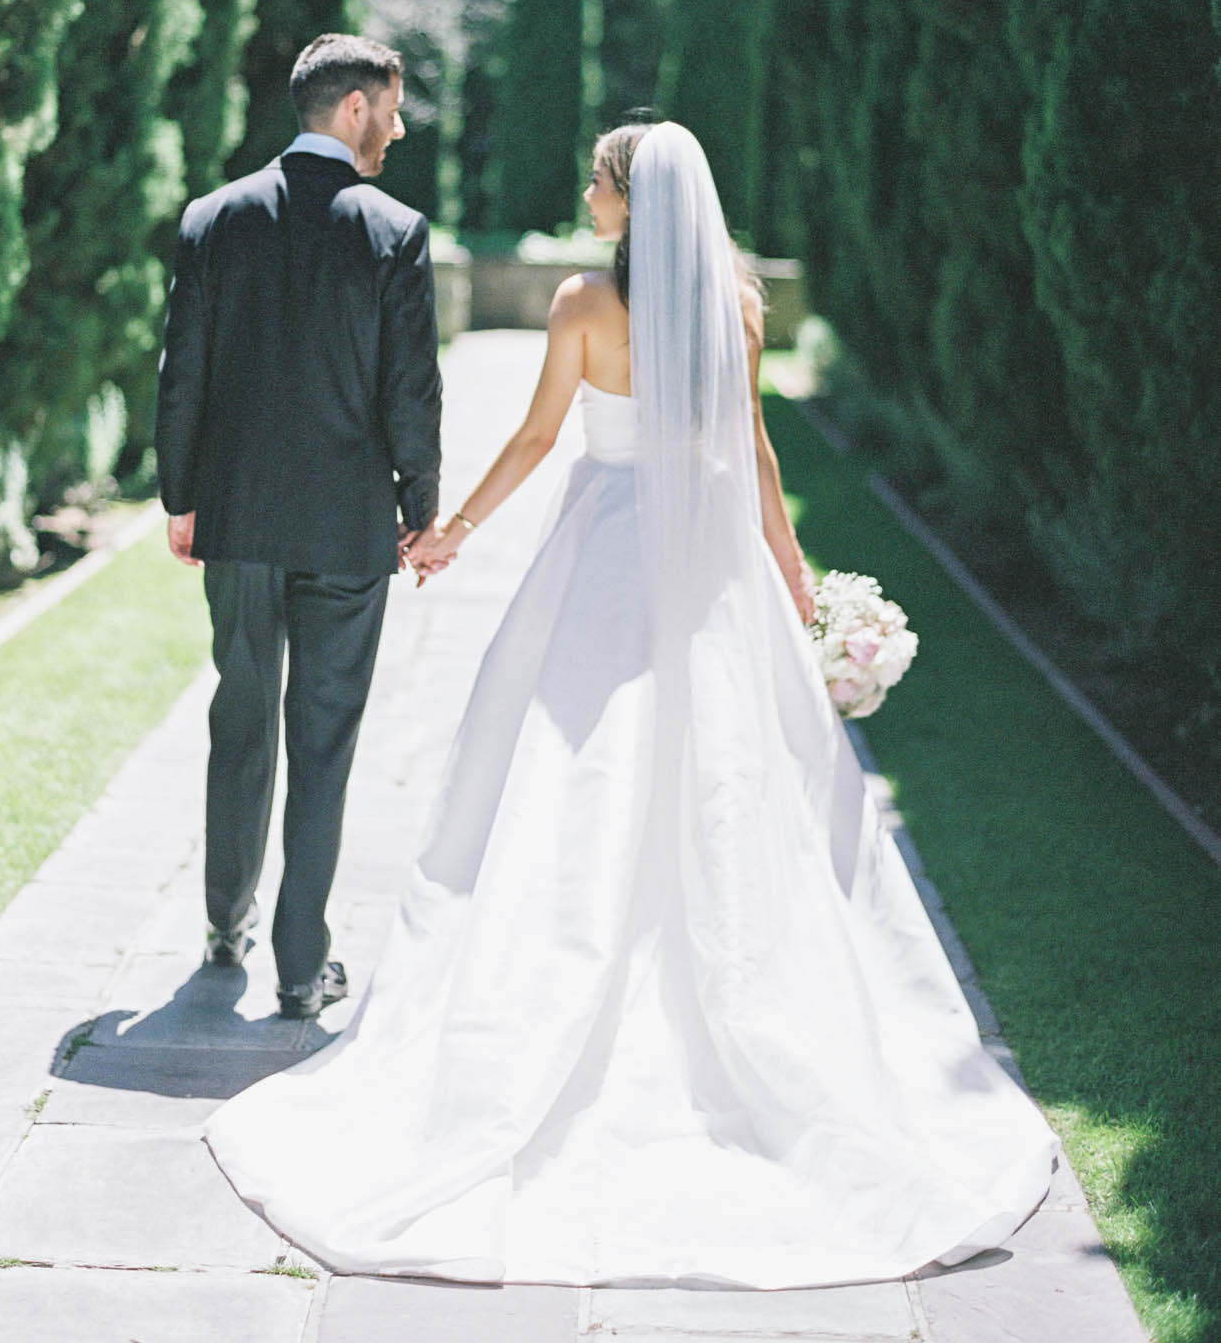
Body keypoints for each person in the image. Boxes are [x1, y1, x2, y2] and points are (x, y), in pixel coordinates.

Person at [204, 121, 1060, 1286]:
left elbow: (539, 437)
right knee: (716, 777)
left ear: (627, 200)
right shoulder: (737, 309)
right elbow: (753, 452)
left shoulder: (578, 308)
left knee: (572, 781)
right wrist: (796, 588)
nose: (587, 196)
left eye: (598, 183)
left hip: (599, 560)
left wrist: (452, 527)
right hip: (711, 571)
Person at [155, 33, 442, 1020]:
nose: (398, 130)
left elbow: (180, 372)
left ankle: (221, 927)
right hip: (346, 528)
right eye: (393, 110)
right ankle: (297, 966)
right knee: (323, 740)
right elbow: (411, 390)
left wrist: (178, 497)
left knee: (240, 718)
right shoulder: (396, 230)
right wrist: (420, 509)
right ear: (354, 108)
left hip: (234, 520)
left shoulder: (213, 216)